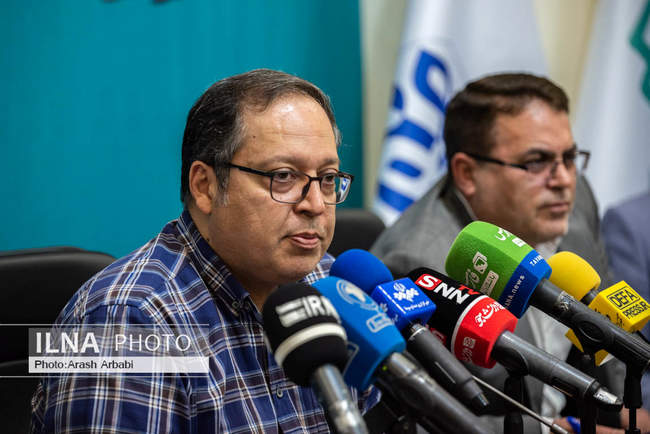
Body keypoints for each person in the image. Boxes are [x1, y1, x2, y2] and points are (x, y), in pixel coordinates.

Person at [30, 69, 378, 433]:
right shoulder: (127, 322)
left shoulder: (330, 285)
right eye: (283, 176)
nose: (316, 205)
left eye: (327, 179)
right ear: (205, 186)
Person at [371, 73, 624, 433]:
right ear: (467, 174)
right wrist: (564, 430)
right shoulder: (419, 267)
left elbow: (605, 334)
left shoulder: (573, 202)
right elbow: (432, 422)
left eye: (569, 157)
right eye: (536, 161)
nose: (565, 180)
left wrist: (624, 411)